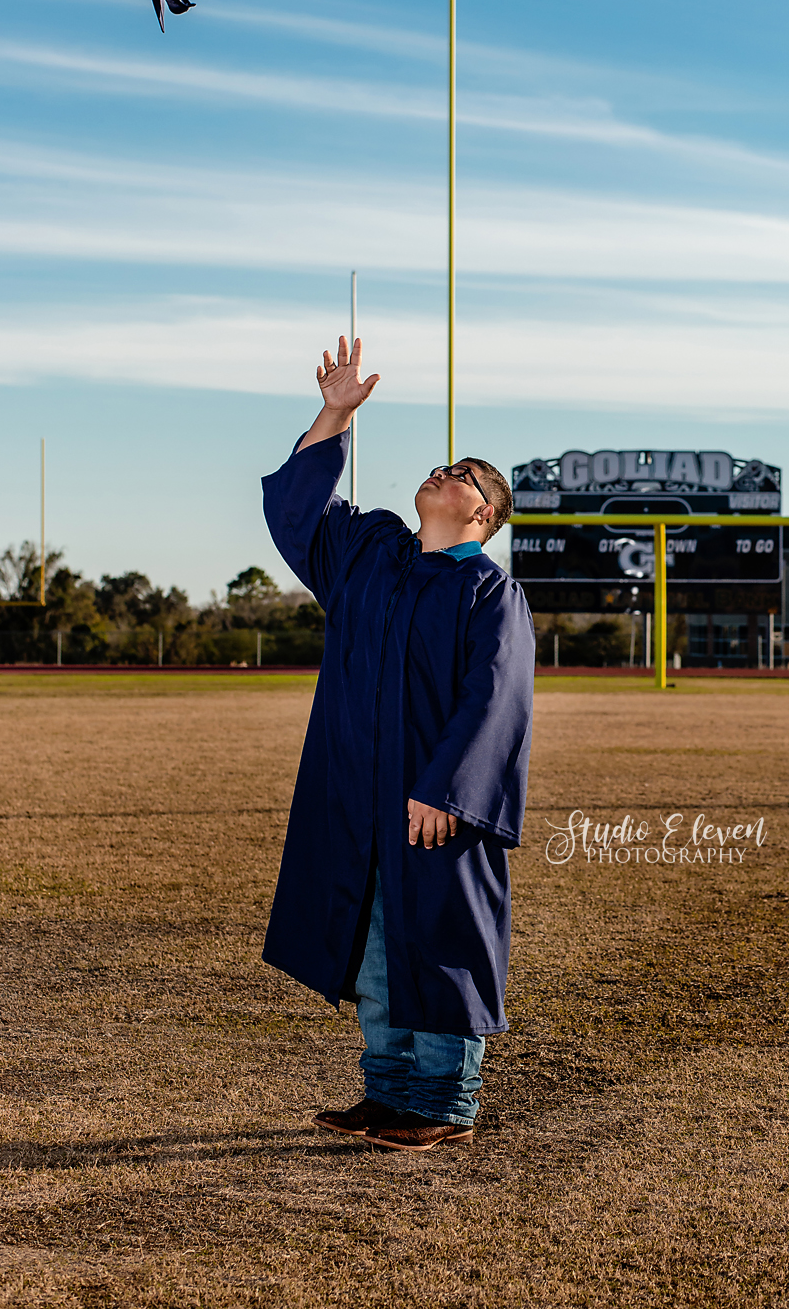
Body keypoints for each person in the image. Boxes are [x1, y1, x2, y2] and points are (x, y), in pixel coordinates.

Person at [260, 333, 536, 1152]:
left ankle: (443, 1103)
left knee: (441, 941)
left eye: (464, 476)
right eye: (443, 465)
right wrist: (333, 414)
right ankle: (388, 1092)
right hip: (356, 787)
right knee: (373, 938)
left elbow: (494, 699)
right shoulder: (371, 556)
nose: (443, 474)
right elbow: (296, 516)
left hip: (435, 798)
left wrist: (448, 791)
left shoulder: (489, 592)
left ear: (482, 515)